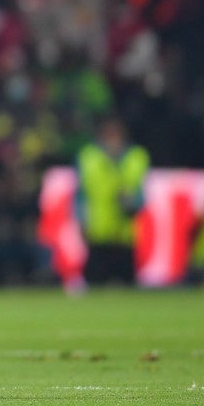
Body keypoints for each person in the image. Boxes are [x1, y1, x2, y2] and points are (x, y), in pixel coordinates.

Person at [74, 116, 149, 286]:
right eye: (109, 134)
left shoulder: (136, 158)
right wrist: (81, 220)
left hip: (124, 233)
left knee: (127, 285)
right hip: (98, 231)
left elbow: (142, 195)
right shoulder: (89, 158)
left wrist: (132, 203)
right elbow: (80, 195)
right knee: (95, 283)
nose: (112, 139)